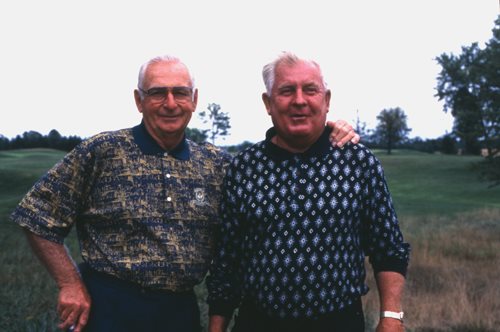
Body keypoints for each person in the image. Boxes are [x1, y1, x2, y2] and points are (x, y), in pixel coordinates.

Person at [10, 55, 359, 332]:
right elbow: (36, 214)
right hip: (108, 306)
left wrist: (327, 127)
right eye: (157, 92)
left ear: (194, 100)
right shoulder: (102, 151)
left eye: (180, 93)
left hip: (179, 310)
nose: (170, 103)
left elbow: (276, 153)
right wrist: (70, 284)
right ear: (139, 100)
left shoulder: (217, 165)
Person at [207, 52, 410, 332]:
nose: (299, 100)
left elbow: (388, 248)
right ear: (268, 103)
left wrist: (391, 317)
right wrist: (217, 327)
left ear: (326, 100)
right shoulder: (243, 168)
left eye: (310, 90)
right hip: (259, 322)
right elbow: (227, 261)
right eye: (286, 90)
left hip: (339, 322)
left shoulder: (359, 162)